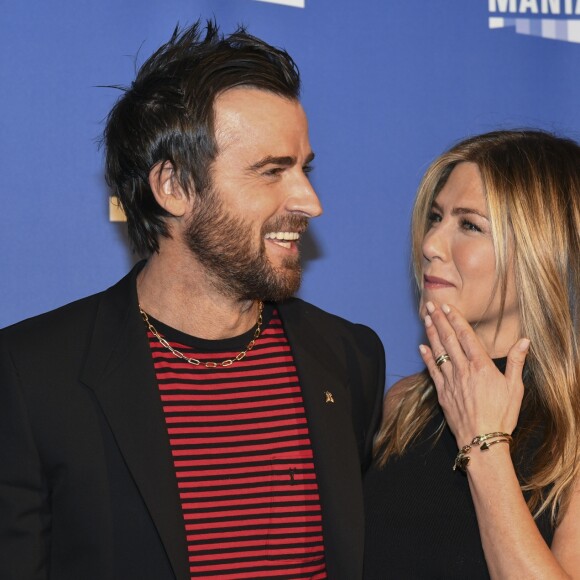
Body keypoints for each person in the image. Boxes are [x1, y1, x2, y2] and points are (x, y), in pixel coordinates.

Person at [0, 22, 385, 580]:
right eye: (272, 171)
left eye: (305, 168)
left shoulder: (348, 357)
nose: (310, 201)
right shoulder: (32, 375)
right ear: (174, 188)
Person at [363, 130, 580, 578]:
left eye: (469, 225)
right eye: (436, 217)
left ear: (543, 249)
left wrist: (485, 441)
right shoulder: (403, 407)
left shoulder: (573, 433)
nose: (430, 245)